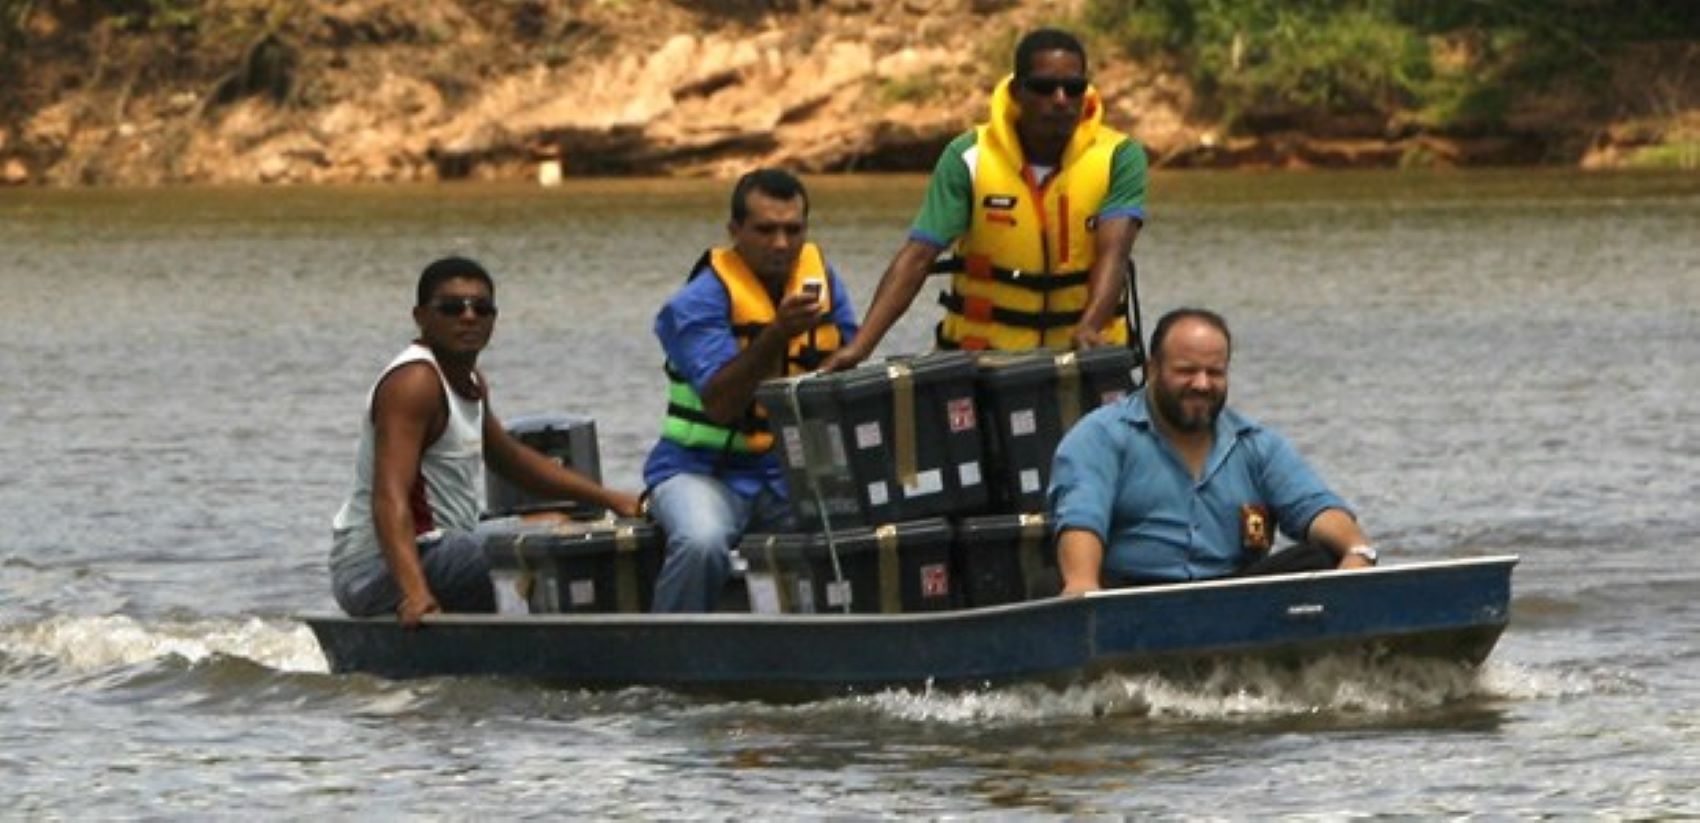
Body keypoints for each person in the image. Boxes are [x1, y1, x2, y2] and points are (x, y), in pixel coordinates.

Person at [329, 256, 642, 627]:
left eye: (482, 308)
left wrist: (612, 499)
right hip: (376, 569)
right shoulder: (414, 382)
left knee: (562, 526)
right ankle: (536, 646)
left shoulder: (469, 380)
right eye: (451, 308)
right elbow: (389, 496)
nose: (468, 317)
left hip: (446, 548)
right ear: (421, 317)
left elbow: (509, 458)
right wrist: (415, 593)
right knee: (535, 553)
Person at [822, 26, 1147, 370]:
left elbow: (1114, 251)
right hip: (983, 363)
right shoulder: (969, 157)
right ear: (1017, 91)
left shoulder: (1119, 157)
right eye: (1043, 88)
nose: (1061, 99)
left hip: (1082, 357)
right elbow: (918, 256)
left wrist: (1091, 326)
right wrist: (860, 347)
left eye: (1074, 87)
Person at [643, 168, 859, 612]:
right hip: (701, 472)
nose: (780, 243)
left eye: (792, 230)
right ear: (735, 231)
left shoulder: (823, 286)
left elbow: (851, 375)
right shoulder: (695, 304)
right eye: (765, 230)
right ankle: (668, 658)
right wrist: (777, 333)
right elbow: (722, 404)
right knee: (701, 542)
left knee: (866, 531)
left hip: (791, 475)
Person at [1047, 308, 1378, 594]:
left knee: (1322, 556)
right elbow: (1081, 519)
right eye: (1187, 371)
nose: (1202, 384)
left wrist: (1357, 551)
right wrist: (1082, 584)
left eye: (1214, 372)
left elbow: (1316, 507)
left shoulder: (1257, 444)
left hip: (1232, 597)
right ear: (1152, 370)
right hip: (1136, 597)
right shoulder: (1099, 436)